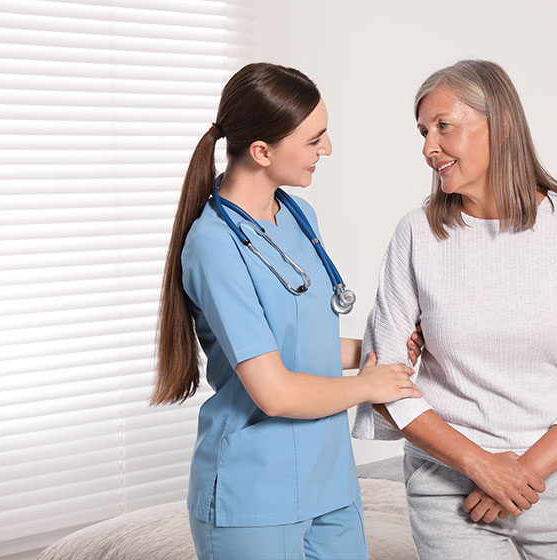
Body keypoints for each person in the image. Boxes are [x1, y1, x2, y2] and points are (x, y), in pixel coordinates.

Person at [352, 60, 557, 560]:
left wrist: (519, 475)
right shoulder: (415, 234)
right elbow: (384, 380)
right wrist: (481, 466)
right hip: (447, 489)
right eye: (424, 132)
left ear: (502, 124)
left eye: (443, 127)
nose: (428, 148)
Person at [151, 62, 423, 560]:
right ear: (262, 151)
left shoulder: (299, 216)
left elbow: (300, 342)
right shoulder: (214, 245)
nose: (328, 149)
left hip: (330, 478)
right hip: (256, 488)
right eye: (314, 139)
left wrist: (378, 349)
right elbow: (273, 391)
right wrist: (369, 386)